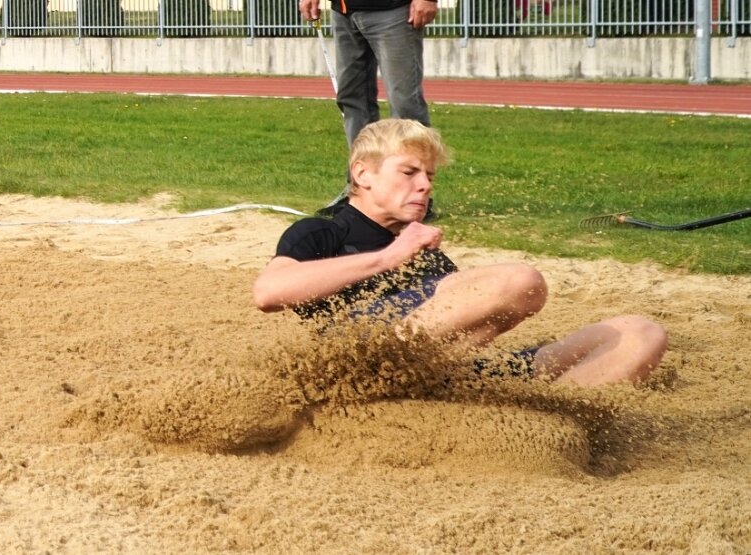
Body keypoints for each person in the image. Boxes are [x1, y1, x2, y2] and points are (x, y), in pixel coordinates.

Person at [253, 119, 668, 387]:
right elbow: (269, 293)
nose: (425, 185)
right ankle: (387, 373)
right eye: (409, 172)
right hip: (359, 369)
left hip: (446, 374)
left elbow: (471, 333)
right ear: (363, 173)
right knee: (520, 280)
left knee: (640, 333)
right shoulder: (322, 232)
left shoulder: (429, 254)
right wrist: (388, 258)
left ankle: (554, 410)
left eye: (429, 176)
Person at [299, 0, 437, 219]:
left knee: (405, 107)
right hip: (344, 11)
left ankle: (416, 195)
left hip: (393, 11)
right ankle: (359, 193)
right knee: (352, 99)